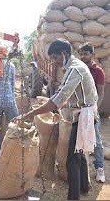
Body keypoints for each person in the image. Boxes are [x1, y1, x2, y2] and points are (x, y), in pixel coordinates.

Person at [13, 39, 98, 200]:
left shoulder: (75, 69)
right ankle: (84, 187)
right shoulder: (72, 67)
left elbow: (58, 100)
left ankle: (73, 197)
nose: (54, 62)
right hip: (82, 114)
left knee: (71, 159)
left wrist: (30, 114)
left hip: (84, 116)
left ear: (64, 53)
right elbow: (61, 95)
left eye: (55, 57)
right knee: (79, 153)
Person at [78, 42, 105, 183]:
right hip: (78, 109)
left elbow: (101, 93)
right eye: (81, 54)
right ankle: (81, 167)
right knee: (77, 138)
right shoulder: (78, 70)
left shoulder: (98, 71)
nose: (83, 56)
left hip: (91, 110)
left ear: (92, 55)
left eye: (86, 54)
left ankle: (100, 168)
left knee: (97, 141)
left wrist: (95, 110)